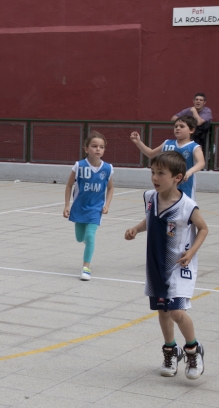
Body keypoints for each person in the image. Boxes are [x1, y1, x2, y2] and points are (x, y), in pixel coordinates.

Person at [125, 151, 209, 379]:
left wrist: (191, 251)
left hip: (179, 265)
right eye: (153, 172)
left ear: (177, 178)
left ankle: (193, 349)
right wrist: (136, 229)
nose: (155, 177)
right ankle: (171, 351)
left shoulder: (187, 205)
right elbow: (150, 219)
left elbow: (203, 228)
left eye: (161, 173)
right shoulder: (150, 197)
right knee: (163, 311)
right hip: (156, 264)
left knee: (177, 312)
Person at [63, 131, 115, 281]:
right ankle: (86, 241)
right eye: (94, 146)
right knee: (80, 238)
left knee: (90, 236)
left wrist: (107, 204)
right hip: (79, 207)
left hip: (95, 209)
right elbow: (69, 185)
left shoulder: (108, 168)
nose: (98, 149)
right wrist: (67, 205)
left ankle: (86, 267)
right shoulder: (79, 166)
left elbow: (111, 188)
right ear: (86, 149)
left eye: (101, 147)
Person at [130, 116, 205, 200]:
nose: (178, 128)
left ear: (191, 130)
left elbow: (201, 163)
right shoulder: (167, 143)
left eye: (182, 126)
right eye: (176, 126)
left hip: (185, 187)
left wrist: (189, 172)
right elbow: (151, 154)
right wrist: (138, 142)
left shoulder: (194, 147)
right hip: (165, 186)